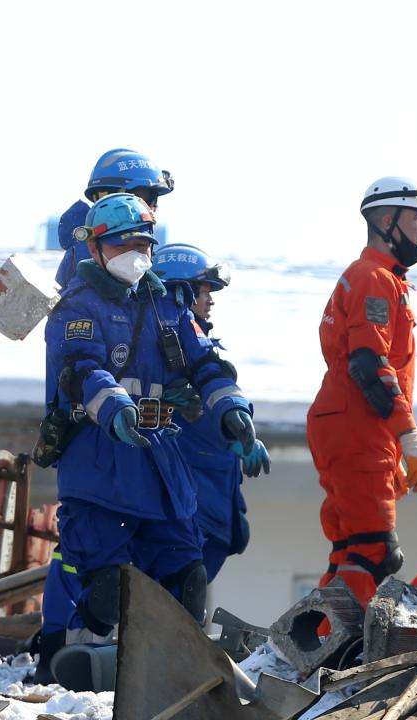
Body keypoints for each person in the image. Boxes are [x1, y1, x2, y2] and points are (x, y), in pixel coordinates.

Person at [43, 193, 264, 686]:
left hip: (161, 461)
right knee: (104, 591)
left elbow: (205, 361)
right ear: (96, 248)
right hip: (101, 460)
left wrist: (234, 412)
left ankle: (168, 676)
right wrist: (114, 405)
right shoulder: (76, 307)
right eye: (123, 243)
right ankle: (78, 679)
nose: (135, 252)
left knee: (186, 580)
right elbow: (81, 368)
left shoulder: (165, 304)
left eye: (143, 242)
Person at [307, 177, 417, 608]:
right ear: (387, 220)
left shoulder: (379, 279)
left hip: (350, 425)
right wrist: (409, 437)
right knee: (375, 549)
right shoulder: (374, 278)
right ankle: (338, 654)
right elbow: (369, 364)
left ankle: (312, 642)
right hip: (357, 426)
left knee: (352, 549)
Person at [152, 243, 267, 580]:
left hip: (214, 499)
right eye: (204, 291)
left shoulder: (202, 353)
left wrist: (236, 434)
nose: (211, 300)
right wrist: (229, 435)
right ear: (179, 293)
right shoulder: (160, 353)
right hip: (188, 504)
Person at [55, 149, 174, 289]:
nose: (153, 208)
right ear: (122, 199)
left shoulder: (91, 245)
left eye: (140, 246)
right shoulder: (95, 252)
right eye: (148, 197)